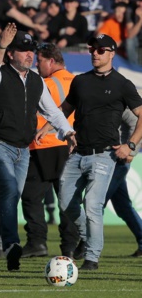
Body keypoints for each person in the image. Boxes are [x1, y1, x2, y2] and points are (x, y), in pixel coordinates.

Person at [0, 24, 74, 272]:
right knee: (8, 190)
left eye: (32, 51)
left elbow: (53, 112)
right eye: (23, 50)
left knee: (11, 197)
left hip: (23, 149)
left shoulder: (37, 80)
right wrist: (1, 44)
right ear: (10, 53)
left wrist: (68, 131)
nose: (29, 55)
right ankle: (11, 244)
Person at [53, 34, 142, 271]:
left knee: (92, 203)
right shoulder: (80, 81)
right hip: (78, 153)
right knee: (66, 203)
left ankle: (92, 258)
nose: (95, 53)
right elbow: (65, 108)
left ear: (112, 53)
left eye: (101, 50)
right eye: (93, 49)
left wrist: (131, 145)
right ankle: (89, 238)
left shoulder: (122, 84)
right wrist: (46, 128)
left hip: (105, 154)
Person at [20, 43, 80, 259]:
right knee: (68, 199)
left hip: (44, 145)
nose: (37, 64)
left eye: (40, 60)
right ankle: (70, 247)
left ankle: (37, 242)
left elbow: (31, 112)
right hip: (69, 146)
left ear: (51, 61)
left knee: (31, 196)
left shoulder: (44, 84)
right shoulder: (76, 80)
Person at [104, 109, 142, 258]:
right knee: (122, 206)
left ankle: (85, 248)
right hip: (106, 158)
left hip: (118, 158)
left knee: (97, 202)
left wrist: (131, 151)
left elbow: (137, 122)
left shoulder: (120, 92)